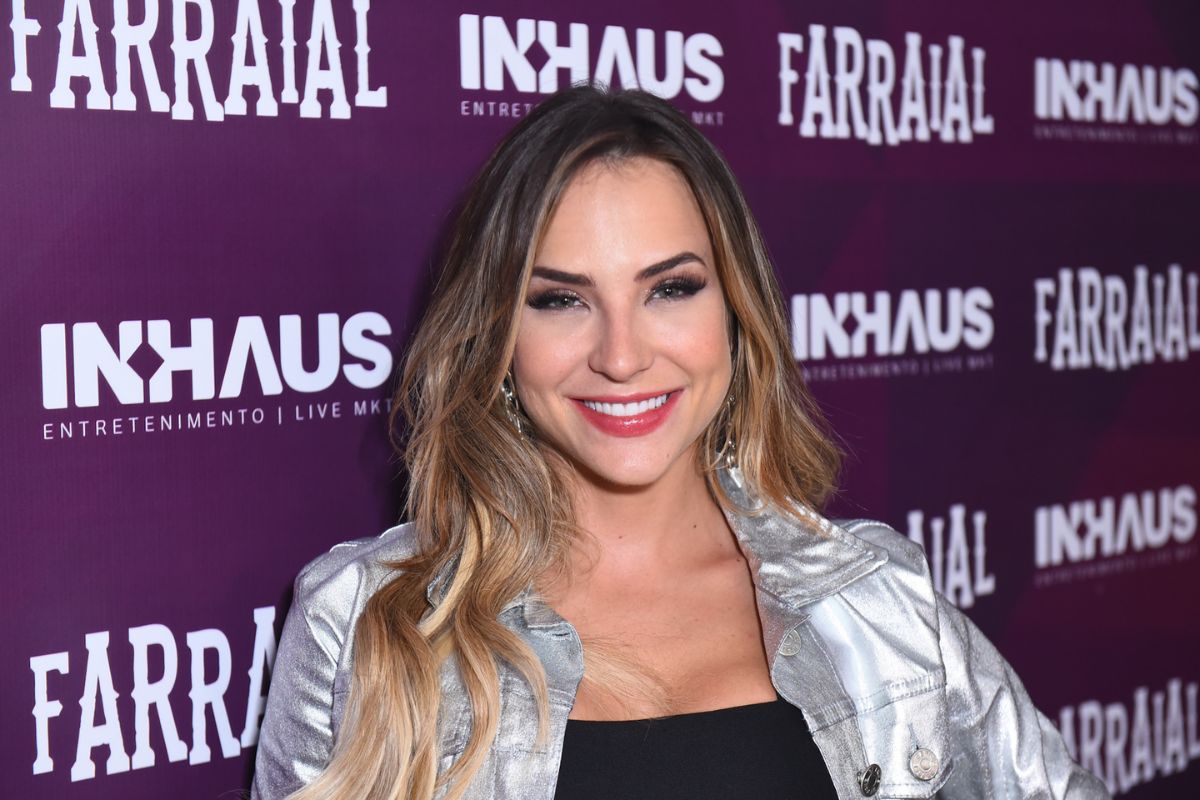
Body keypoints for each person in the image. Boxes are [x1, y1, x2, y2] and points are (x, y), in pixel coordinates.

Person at [250, 85, 1109, 800]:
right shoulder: (367, 621)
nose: (622, 356)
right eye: (560, 299)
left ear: (736, 311)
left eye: (670, 289)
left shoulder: (875, 604)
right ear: (499, 338)